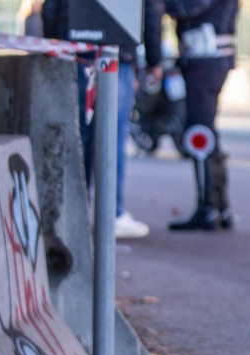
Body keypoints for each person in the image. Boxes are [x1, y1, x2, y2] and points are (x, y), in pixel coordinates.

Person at [42, 0, 163, 239]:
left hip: (76, 50)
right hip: (116, 48)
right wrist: (154, 59)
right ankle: (112, 213)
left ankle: (75, 213)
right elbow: (150, 9)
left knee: (78, 136)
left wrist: (56, 47)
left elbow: (51, 8)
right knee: (112, 137)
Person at [164, 0, 239, 231]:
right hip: (209, 57)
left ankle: (208, 208)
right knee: (206, 133)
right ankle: (219, 206)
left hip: (204, 58)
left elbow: (183, 7)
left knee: (200, 135)